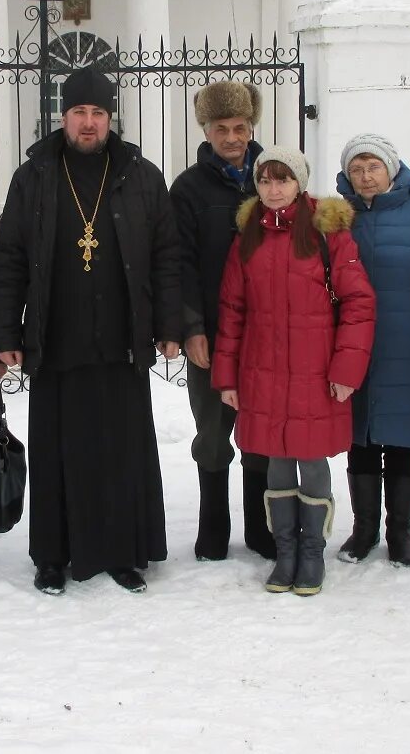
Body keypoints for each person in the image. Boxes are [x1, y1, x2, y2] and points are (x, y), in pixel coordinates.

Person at [0, 64, 182, 595]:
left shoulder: (140, 175)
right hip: (58, 338)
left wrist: (168, 325)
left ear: (110, 117)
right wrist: (6, 332)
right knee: (58, 451)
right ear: (63, 116)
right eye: (79, 112)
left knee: (120, 450)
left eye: (98, 112)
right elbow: (9, 259)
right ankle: (53, 555)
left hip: (122, 339)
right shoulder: (34, 176)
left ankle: (124, 551)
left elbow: (167, 256)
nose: (89, 123)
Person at [211, 146, 375, 596]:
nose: (274, 189)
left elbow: (359, 304)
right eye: (265, 180)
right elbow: (232, 310)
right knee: (277, 464)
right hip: (262, 372)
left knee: (312, 460)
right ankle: (285, 553)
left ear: (299, 183)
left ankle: (311, 553)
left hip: (316, 372)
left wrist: (346, 369)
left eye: (282, 180)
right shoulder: (249, 236)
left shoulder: (328, 233)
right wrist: (226, 377)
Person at [168, 80, 275, 562]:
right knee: (213, 434)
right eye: (221, 128)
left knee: (259, 431)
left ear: (252, 127)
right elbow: (179, 261)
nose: (232, 137)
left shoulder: (272, 177)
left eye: (240, 127)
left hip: (266, 332)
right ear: (206, 131)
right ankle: (213, 527)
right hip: (212, 333)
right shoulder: (190, 188)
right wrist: (191, 327)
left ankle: (260, 527)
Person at [335, 134, 410, 568]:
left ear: (392, 168)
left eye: (374, 167)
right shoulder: (337, 216)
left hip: (408, 345)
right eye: (357, 169)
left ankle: (401, 529)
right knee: (359, 437)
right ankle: (364, 528)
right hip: (355, 348)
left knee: (402, 440)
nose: (365, 176)